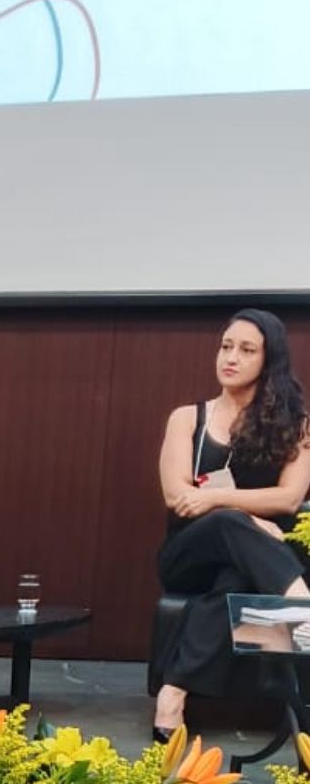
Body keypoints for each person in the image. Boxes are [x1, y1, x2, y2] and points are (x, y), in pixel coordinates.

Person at [154, 307, 310, 741]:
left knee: (235, 577)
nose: (231, 357)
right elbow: (178, 497)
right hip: (189, 555)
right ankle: (302, 603)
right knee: (227, 525)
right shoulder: (187, 418)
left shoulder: (295, 426)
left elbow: (289, 498)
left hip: (254, 563)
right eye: (226, 347)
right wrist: (246, 517)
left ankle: (173, 692)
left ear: (268, 360)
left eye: (246, 350)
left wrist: (219, 499)